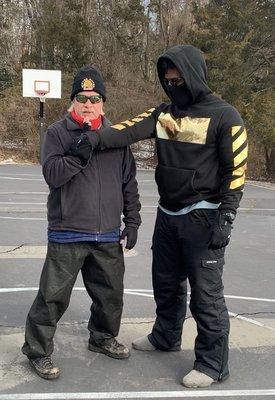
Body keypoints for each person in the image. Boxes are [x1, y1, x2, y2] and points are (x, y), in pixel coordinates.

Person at [86, 45, 248, 388]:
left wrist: (227, 216)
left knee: (206, 295)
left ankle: (212, 363)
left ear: (194, 75)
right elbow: (126, 130)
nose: (173, 84)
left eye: (178, 78)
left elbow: (236, 170)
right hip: (168, 213)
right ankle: (165, 336)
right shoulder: (163, 113)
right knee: (166, 283)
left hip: (204, 216)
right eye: (167, 79)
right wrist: (93, 139)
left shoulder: (225, 116)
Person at [21, 66, 141, 380]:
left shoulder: (116, 137)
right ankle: (37, 351)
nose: (88, 104)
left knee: (110, 295)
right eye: (82, 98)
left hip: (107, 234)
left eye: (95, 98)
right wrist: (80, 152)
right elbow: (53, 174)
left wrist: (133, 221)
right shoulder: (57, 134)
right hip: (67, 232)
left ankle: (101, 338)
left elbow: (128, 182)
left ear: (103, 101)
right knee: (52, 297)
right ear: (73, 101)